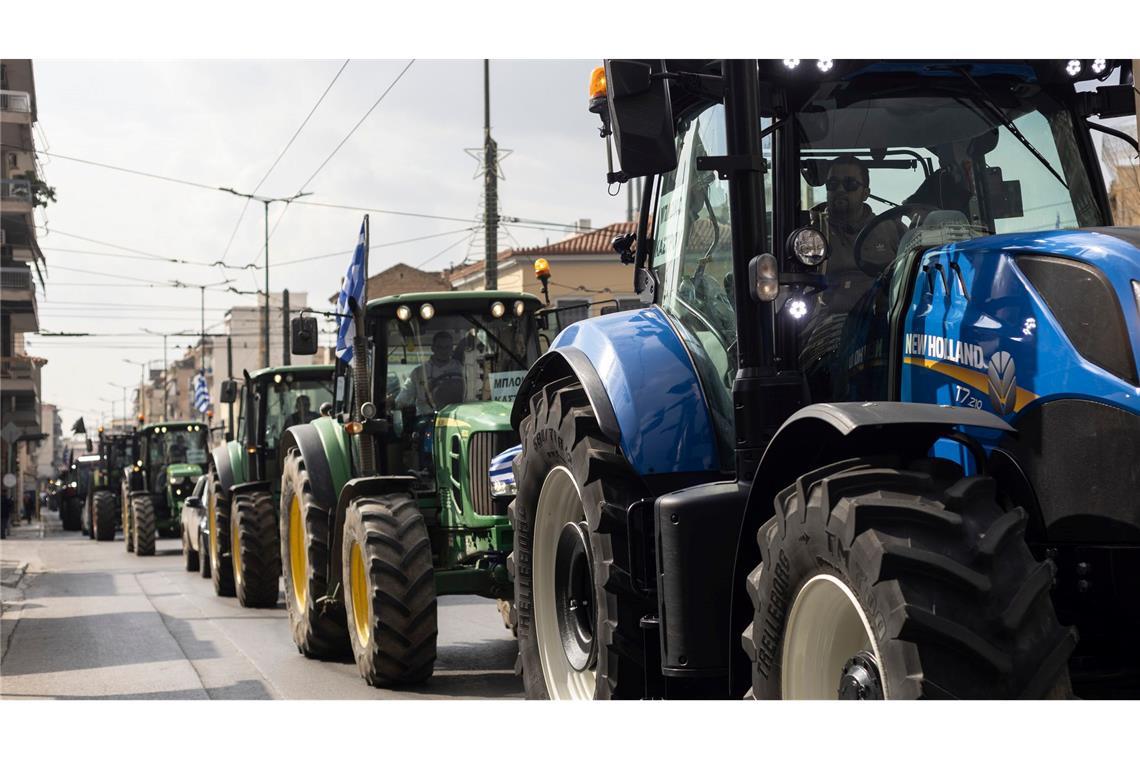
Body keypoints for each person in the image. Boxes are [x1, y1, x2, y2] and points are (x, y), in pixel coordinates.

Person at [814, 155, 904, 313]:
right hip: (826, 318)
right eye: (833, 184)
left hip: (883, 319)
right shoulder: (811, 233)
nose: (840, 190)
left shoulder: (892, 229)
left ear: (865, 193)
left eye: (850, 184)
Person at [395, 331, 467, 416]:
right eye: (439, 347)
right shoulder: (419, 372)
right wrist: (394, 403)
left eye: (447, 347)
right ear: (433, 348)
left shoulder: (460, 369)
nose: (443, 351)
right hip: (426, 417)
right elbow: (404, 396)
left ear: (452, 349)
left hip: (455, 416)